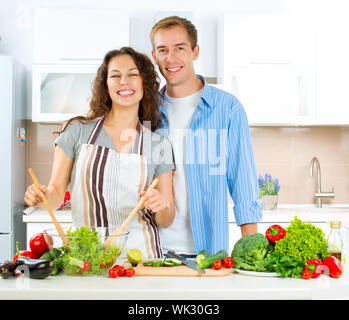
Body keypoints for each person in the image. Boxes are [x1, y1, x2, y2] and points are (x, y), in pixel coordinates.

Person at [24, 47, 175, 258]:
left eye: (132, 74)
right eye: (115, 75)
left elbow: (166, 219)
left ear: (144, 84)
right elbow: (56, 195)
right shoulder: (76, 131)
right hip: (86, 257)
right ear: (106, 84)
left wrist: (162, 205)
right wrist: (42, 196)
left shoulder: (159, 145)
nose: (124, 81)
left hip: (141, 260)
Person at [150, 16, 262, 256]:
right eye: (163, 50)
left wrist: (253, 256)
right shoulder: (146, 111)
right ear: (154, 56)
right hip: (154, 252)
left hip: (208, 254)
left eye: (180, 48)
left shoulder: (228, 109)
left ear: (195, 51)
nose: (171, 58)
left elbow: (243, 184)